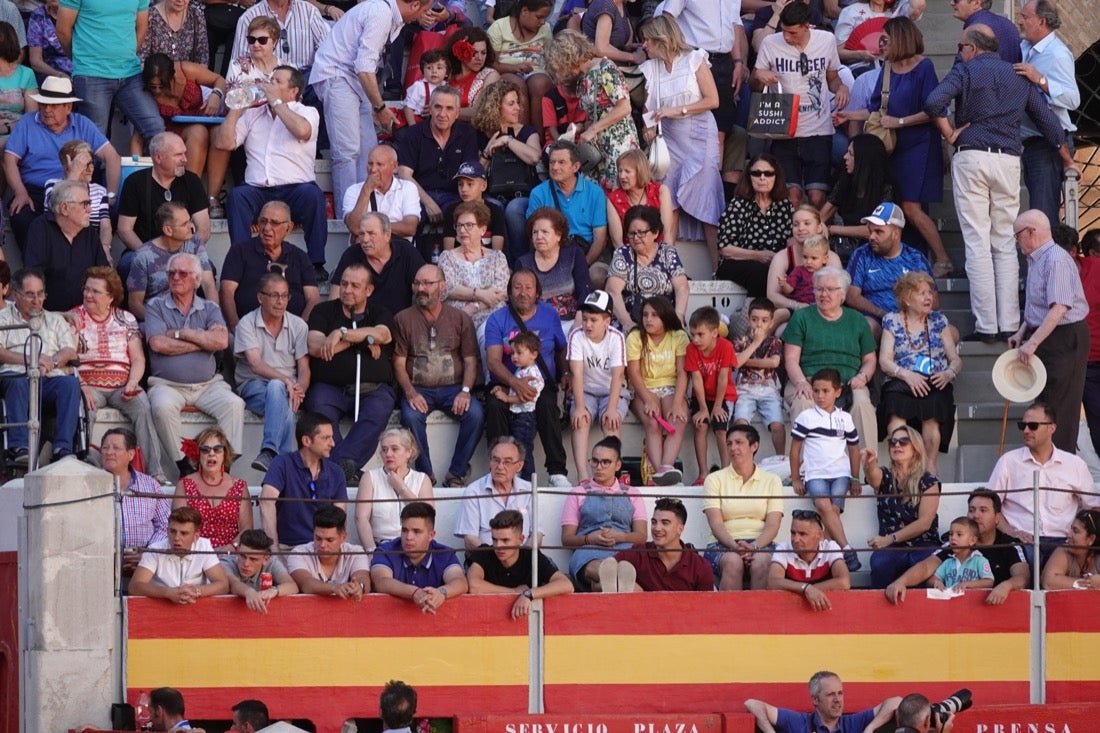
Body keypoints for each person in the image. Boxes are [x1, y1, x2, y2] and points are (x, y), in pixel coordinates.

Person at [924, 24, 1074, 344]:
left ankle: (987, 326)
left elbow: (933, 102)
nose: (959, 52)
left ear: (973, 48)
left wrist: (949, 132)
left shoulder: (965, 71)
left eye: (961, 46)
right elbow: (1050, 125)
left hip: (972, 156)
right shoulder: (1017, 75)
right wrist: (1066, 157)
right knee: (1005, 242)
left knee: (977, 242)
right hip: (1007, 159)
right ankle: (1009, 323)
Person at [309, 0, 432, 217]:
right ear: (414, 5)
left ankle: (365, 213)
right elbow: (364, 66)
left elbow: (367, 68)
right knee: (347, 151)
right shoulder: (381, 14)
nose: (423, 16)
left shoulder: (390, 15)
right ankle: (348, 216)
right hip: (337, 75)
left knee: (368, 151)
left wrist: (375, 104)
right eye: (423, 10)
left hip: (355, 79)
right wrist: (380, 106)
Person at [213, 65, 329, 279]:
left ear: (293, 91)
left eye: (277, 82)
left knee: (313, 196)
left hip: (296, 189)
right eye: (270, 80)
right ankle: (243, 261)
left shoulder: (306, 112)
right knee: (237, 197)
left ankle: (316, 264)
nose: (269, 85)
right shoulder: (253, 114)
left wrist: (276, 103)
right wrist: (237, 110)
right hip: (258, 190)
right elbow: (223, 143)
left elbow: (302, 131)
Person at [145, 252, 245, 480]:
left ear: (196, 280)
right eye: (171, 273)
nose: (176, 277)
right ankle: (185, 467)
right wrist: (202, 342)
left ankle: (223, 469)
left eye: (182, 273)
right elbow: (158, 343)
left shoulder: (209, 308)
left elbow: (220, 341)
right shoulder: (156, 306)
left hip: (209, 385)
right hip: (167, 385)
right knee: (161, 407)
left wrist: (183, 334)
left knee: (234, 405)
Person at [3, 76, 120, 256]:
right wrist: (20, 192)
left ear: (68, 107)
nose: (47, 110)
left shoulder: (82, 123)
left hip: (78, 190)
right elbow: (9, 160)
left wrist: (110, 195)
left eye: (54, 105)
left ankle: (87, 262)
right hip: (37, 190)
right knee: (21, 216)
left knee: (110, 214)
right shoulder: (27, 122)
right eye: (43, 104)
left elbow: (112, 157)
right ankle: (34, 273)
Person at [636, 15, 723, 253]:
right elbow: (648, 106)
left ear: (662, 39)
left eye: (647, 40)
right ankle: (667, 261)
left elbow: (713, 100)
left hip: (700, 133)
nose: (644, 45)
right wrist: (648, 127)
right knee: (668, 198)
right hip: (670, 138)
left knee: (707, 196)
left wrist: (677, 110)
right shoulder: (651, 67)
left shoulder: (694, 59)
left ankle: (717, 266)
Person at [304, 262, 397, 484]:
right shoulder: (323, 311)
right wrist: (361, 340)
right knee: (318, 409)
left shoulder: (380, 312)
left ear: (369, 291)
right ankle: (348, 469)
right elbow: (316, 348)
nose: (347, 290)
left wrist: (340, 333)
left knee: (378, 411)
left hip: (373, 389)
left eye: (355, 286)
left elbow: (382, 335)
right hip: (329, 388)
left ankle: (334, 469)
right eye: (344, 284)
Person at [393, 263, 483, 487]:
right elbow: (398, 362)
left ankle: (456, 473)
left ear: (442, 286)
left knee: (476, 415)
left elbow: (471, 360)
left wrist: (465, 391)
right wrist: (411, 393)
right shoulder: (403, 319)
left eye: (427, 283)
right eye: (417, 283)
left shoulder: (460, 318)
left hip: (454, 388)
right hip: (418, 388)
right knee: (411, 417)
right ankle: (425, 476)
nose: (421, 288)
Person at [751, 2, 849, 209]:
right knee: (792, 197)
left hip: (818, 130)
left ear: (807, 26)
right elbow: (754, 84)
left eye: (792, 33)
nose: (786, 37)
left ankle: (816, 240)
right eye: (784, 31)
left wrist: (841, 88)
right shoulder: (771, 43)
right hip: (784, 130)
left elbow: (832, 77)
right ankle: (794, 240)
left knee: (817, 197)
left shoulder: (826, 40)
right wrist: (760, 76)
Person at [1008, 209, 1090, 454]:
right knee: (1043, 403)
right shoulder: (1036, 258)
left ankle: (1060, 465)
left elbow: (1059, 307)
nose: (1017, 241)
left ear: (1031, 233)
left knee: (1059, 407)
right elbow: (1038, 305)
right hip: (1044, 334)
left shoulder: (1055, 259)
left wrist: (1032, 342)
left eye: (1018, 235)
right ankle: (1042, 461)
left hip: (1064, 336)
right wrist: (1022, 332)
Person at [72, 268, 165, 478]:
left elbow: (138, 358)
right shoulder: (75, 317)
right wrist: (82, 385)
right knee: (84, 410)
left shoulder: (126, 319)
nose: (88, 295)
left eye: (95, 291)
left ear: (110, 297)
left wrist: (133, 382)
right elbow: (70, 360)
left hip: (122, 385)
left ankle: (156, 473)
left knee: (142, 406)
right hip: (89, 386)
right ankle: (88, 470)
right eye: (86, 289)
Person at [483, 269, 570, 486]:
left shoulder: (549, 315)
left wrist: (566, 373)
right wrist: (515, 383)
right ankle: (501, 470)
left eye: (528, 288)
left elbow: (561, 349)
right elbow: (493, 361)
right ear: (509, 293)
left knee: (548, 404)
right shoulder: (497, 319)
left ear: (537, 292)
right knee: (494, 406)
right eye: (517, 287)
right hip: (505, 383)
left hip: (540, 384)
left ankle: (557, 472)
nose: (523, 293)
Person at [988, 401, 1098, 570]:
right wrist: (1011, 532)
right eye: (1022, 425)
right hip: (1021, 540)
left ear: (1051, 428)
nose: (1026, 431)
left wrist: (1080, 536)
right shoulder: (1008, 462)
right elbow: (989, 506)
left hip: (1064, 541)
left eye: (1032, 426)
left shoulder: (1074, 464)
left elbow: (1093, 508)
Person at [784, 267, 877, 452]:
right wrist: (801, 382)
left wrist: (862, 377)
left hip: (848, 384)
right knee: (803, 401)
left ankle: (867, 469)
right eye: (819, 289)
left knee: (862, 403)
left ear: (842, 294)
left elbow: (869, 359)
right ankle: (804, 469)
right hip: (809, 381)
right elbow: (791, 358)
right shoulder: (801, 317)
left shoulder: (857, 320)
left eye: (829, 289)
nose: (823, 294)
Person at [878, 271, 962, 475]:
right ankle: (901, 466)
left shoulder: (939, 320)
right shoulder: (892, 320)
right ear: (907, 298)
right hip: (901, 379)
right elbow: (885, 361)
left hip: (935, 379)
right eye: (922, 293)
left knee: (933, 405)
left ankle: (929, 467)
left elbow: (956, 360)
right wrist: (907, 375)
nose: (929, 297)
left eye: (930, 293)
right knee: (895, 404)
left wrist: (948, 373)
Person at [886, 488, 1029, 606]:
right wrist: (901, 582)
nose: (976, 515)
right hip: (955, 615)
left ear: (997, 518)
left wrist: (1006, 586)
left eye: (983, 510)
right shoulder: (954, 543)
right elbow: (926, 567)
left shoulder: (1010, 544)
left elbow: (1023, 577)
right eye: (972, 510)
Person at [659, 0, 748, 188]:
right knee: (692, 128)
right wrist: (679, 55)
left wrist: (738, 62)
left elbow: (732, 26)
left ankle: (710, 189)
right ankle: (688, 188)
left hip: (725, 61)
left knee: (720, 132)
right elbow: (667, 18)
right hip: (693, 56)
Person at [0, 267, 80, 466]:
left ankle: (63, 448)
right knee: (16, 382)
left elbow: (69, 351)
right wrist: (30, 359)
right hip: (17, 378)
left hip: (49, 378)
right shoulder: (3, 318)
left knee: (69, 384)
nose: (36, 300)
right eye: (30, 295)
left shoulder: (55, 320)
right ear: (15, 295)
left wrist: (52, 362)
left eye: (40, 294)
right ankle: (20, 447)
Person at [55, 0, 165, 144]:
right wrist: (82, 60)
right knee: (94, 141)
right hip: (91, 74)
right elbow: (62, 30)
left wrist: (125, 54)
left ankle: (156, 167)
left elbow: (142, 27)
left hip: (130, 73)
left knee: (157, 130)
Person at [543, 30, 640, 191]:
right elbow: (592, 116)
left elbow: (624, 107)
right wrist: (578, 128)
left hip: (618, 143)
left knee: (620, 194)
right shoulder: (583, 79)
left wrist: (593, 129)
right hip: (597, 149)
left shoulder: (605, 68)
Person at [233, 272, 310, 472]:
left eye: (285, 296)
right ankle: (281, 458)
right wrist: (287, 381)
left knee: (282, 398)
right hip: (254, 385)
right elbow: (256, 365)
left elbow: (304, 368)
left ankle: (271, 456)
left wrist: (299, 388)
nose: (280, 301)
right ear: (260, 297)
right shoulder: (247, 323)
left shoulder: (298, 325)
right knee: (278, 389)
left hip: (288, 387)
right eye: (274, 295)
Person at [790, 368, 862, 571]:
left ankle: (828, 564)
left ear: (838, 392)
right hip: (815, 474)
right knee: (824, 506)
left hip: (840, 473)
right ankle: (846, 550)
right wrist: (796, 478)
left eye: (825, 391)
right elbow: (795, 450)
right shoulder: (806, 417)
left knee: (832, 514)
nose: (820, 396)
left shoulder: (845, 418)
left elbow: (854, 449)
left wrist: (855, 478)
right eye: (816, 391)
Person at [1015, 0, 1079, 226]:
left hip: (1049, 144)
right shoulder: (1023, 48)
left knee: (1043, 216)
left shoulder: (1058, 54)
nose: (1019, 21)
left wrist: (1041, 80)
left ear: (1041, 21)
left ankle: (1050, 260)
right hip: (1032, 143)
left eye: (1025, 17)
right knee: (1038, 214)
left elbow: (1073, 99)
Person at [703, 424, 783, 591]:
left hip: (762, 543)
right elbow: (716, 524)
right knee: (733, 562)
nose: (733, 448)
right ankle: (728, 616)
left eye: (739, 442)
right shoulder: (714, 479)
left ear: (754, 446)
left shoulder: (772, 480)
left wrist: (754, 547)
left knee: (761, 562)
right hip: (722, 543)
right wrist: (735, 547)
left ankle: (758, 616)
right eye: (730, 443)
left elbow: (773, 525)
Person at [117, 131, 211, 273]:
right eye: (178, 155)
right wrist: (149, 254)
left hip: (185, 252)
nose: (185, 159)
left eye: (185, 153)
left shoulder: (192, 181)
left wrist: (184, 255)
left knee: (209, 269)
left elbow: (204, 229)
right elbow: (124, 229)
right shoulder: (135, 182)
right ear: (158, 157)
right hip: (144, 249)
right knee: (127, 266)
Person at [560, 436, 646, 590]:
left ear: (618, 465)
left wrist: (620, 536)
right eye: (595, 461)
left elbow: (641, 536)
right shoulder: (578, 493)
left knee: (601, 584)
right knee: (609, 572)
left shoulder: (632, 493)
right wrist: (589, 539)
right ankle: (620, 580)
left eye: (605, 462)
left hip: (625, 551)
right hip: (588, 552)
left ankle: (607, 583)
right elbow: (566, 539)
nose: (599, 467)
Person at [221, 201, 320, 331]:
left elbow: (313, 298)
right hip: (248, 331)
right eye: (263, 221)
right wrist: (236, 327)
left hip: (292, 333)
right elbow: (226, 291)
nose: (267, 228)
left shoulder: (300, 257)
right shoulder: (239, 251)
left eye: (274, 223)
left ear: (288, 228)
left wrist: (301, 329)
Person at [863, 424, 941, 588]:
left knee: (925, 564)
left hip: (923, 544)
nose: (897, 445)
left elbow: (924, 523)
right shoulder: (885, 476)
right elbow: (873, 477)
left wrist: (889, 539)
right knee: (880, 563)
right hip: (892, 547)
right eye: (893, 442)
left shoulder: (928, 481)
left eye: (904, 441)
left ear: (916, 448)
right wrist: (869, 464)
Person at [844, 202, 935, 334]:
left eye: (878, 232)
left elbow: (934, 299)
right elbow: (852, 297)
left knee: (952, 333)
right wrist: (883, 314)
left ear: (895, 234)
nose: (871, 237)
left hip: (913, 318)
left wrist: (907, 317)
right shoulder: (862, 255)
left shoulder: (916, 258)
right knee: (867, 327)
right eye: (870, 231)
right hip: (875, 320)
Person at [259, 412, 347, 549]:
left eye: (332, 438)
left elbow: (340, 518)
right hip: (288, 548)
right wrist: (275, 552)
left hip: (324, 549)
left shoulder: (336, 472)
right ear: (306, 441)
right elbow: (266, 502)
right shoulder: (282, 463)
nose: (333, 443)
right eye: (326, 438)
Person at [473, 80, 541, 257]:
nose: (517, 108)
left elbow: (534, 157)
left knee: (514, 208)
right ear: (496, 107)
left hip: (522, 194)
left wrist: (508, 141)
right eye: (511, 104)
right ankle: (496, 259)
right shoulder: (480, 133)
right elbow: (476, 176)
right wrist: (487, 152)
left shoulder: (527, 132)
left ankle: (519, 258)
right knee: (494, 207)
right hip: (494, 193)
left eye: (518, 103)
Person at [396, 85, 480, 228]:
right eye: (438, 107)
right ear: (430, 109)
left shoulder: (467, 134)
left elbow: (470, 174)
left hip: (455, 196)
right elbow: (404, 174)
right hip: (419, 197)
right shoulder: (413, 134)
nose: (442, 114)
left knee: (458, 215)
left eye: (449, 108)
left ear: (457, 113)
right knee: (410, 217)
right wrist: (428, 203)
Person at [467, 508, 574, 619]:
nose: (498, 546)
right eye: (494, 539)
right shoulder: (484, 553)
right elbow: (474, 586)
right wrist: (513, 592)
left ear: (521, 539)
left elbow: (566, 584)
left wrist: (529, 594)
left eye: (505, 540)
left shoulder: (530, 556)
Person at [626, 296, 688, 485]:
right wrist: (647, 398)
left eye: (654, 315)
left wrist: (677, 403)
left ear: (665, 316)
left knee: (676, 420)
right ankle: (663, 472)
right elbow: (634, 373)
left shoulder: (679, 336)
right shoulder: (635, 337)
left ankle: (665, 469)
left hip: (671, 387)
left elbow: (682, 373)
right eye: (645, 315)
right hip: (643, 388)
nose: (648, 320)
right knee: (653, 423)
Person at [525, 141, 610, 278]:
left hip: (587, 253)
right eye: (552, 162)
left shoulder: (595, 193)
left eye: (561, 162)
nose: (555, 167)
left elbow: (599, 239)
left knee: (597, 276)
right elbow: (534, 236)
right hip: (552, 253)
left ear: (575, 166)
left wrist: (582, 266)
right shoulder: (538, 193)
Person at [567, 290, 628, 477]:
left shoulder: (616, 338)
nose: (587, 324)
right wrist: (579, 406)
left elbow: (618, 376)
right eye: (585, 319)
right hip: (585, 390)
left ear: (607, 321)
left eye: (593, 320)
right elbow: (576, 374)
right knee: (580, 420)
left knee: (611, 421)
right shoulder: (577, 336)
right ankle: (583, 476)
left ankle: (611, 476)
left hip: (612, 391)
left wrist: (611, 408)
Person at [140, 53, 227, 185]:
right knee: (199, 132)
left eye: (162, 85)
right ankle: (188, 190)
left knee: (212, 132)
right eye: (153, 86)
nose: (157, 90)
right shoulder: (144, 91)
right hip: (166, 131)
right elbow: (138, 132)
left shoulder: (186, 70)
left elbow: (219, 80)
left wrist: (215, 95)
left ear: (172, 77)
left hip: (200, 122)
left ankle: (202, 194)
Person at [715, 154, 794, 298]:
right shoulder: (739, 204)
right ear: (749, 177)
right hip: (738, 263)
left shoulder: (785, 206)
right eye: (757, 173)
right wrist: (758, 255)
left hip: (775, 263)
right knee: (759, 271)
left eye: (768, 173)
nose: (762, 178)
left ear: (776, 177)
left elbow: (791, 240)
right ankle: (756, 313)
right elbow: (724, 248)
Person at [25, 179, 108, 312]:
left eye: (90, 203)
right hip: (49, 316)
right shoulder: (40, 228)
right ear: (64, 208)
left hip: (88, 314)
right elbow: (33, 276)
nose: (90, 209)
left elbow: (104, 275)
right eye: (85, 204)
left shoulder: (90, 232)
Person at [127, 201, 219, 323]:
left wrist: (213, 318)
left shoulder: (195, 243)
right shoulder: (143, 256)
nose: (191, 226)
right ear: (168, 230)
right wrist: (164, 323)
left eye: (190, 221)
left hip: (191, 317)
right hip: (158, 319)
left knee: (224, 338)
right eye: (184, 224)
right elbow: (135, 304)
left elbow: (208, 285)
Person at [370, 501, 468, 611]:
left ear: (431, 535)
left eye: (416, 531)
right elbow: (380, 582)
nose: (408, 537)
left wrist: (441, 593)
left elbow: (460, 582)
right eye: (405, 530)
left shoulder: (444, 554)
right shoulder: (385, 551)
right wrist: (414, 592)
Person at [607, 205, 689, 333]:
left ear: (655, 232)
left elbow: (682, 287)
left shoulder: (667, 252)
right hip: (631, 320)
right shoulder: (623, 253)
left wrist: (678, 317)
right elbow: (613, 291)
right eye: (632, 233)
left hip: (664, 320)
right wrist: (627, 323)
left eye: (641, 233)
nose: (635, 238)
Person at [104, 428, 170, 582]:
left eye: (116, 448)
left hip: (146, 565)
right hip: (103, 564)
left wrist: (148, 554)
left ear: (131, 454)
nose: (109, 452)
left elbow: (165, 525)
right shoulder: (91, 485)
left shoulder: (150, 485)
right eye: (105, 448)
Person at [607, 497, 714, 592]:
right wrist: (629, 584)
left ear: (680, 528)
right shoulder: (640, 552)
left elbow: (706, 608)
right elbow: (608, 566)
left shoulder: (700, 566)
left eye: (665, 523)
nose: (657, 528)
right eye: (654, 522)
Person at [330, 211, 425, 318]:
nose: (365, 240)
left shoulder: (405, 252)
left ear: (387, 235)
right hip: (360, 325)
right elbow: (335, 298)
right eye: (361, 234)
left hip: (399, 325)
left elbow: (426, 286)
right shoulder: (351, 254)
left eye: (371, 234)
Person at [454, 437, 543, 550]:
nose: (500, 467)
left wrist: (521, 559)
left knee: (552, 567)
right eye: (496, 460)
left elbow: (537, 534)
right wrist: (498, 558)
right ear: (490, 462)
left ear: (519, 466)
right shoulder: (474, 491)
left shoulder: (528, 490)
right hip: (485, 558)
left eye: (507, 462)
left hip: (523, 559)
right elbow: (470, 539)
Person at [172, 426, 251, 553]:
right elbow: (179, 527)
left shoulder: (239, 486)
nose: (211, 453)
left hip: (230, 554)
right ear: (198, 454)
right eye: (205, 449)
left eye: (217, 449)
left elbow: (246, 529)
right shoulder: (185, 484)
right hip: (195, 553)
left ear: (225, 454)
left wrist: (231, 548)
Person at [129, 506, 230, 602]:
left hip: (196, 608)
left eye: (184, 533)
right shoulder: (155, 549)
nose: (177, 538)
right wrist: (167, 593)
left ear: (196, 536)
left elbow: (223, 585)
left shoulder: (204, 546)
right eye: (173, 531)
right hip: (161, 608)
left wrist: (196, 591)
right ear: (167, 532)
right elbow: (134, 586)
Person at [354, 427, 433, 551]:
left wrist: (401, 488)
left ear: (409, 452)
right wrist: (372, 551)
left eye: (394, 449)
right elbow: (361, 518)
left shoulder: (422, 479)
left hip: (416, 547)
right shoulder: (370, 477)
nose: (388, 454)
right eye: (384, 450)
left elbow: (427, 516)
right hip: (383, 546)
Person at [744, 672, 901, 733]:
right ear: (815, 699)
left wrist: (870, 728)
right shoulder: (799, 723)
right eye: (830, 695)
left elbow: (896, 701)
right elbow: (752, 704)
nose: (838, 700)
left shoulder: (852, 723)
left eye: (840, 693)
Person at [439, 201, 511, 332]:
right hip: (457, 321)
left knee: (490, 333)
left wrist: (474, 307)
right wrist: (481, 293)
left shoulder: (497, 257)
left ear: (482, 229)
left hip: (492, 319)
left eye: (469, 225)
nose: (462, 230)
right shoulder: (447, 257)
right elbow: (447, 288)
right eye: (459, 225)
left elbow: (500, 292)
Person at [685, 306, 739, 483]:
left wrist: (716, 407)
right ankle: (703, 473)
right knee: (700, 425)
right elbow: (697, 380)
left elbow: (724, 378)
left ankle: (726, 472)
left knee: (721, 428)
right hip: (701, 396)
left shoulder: (726, 346)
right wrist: (702, 408)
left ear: (715, 332)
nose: (696, 339)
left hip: (723, 395)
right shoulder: (692, 349)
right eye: (693, 334)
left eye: (701, 334)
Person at [486, 0, 553, 133]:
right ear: (524, 11)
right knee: (516, 85)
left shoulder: (545, 29)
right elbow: (491, 63)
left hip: (536, 71)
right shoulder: (499, 27)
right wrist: (515, 68)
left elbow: (550, 58)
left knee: (541, 84)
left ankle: (539, 140)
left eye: (545, 18)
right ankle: (522, 137)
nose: (543, 22)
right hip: (506, 70)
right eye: (539, 17)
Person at [518, 206, 592, 323]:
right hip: (538, 323)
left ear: (558, 235)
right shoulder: (523, 263)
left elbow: (585, 290)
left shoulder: (573, 255)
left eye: (545, 232)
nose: (539, 237)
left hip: (572, 320)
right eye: (535, 232)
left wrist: (579, 321)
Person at [817, 135, 892, 251]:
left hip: (876, 248)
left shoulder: (886, 189)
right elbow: (822, 216)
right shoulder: (846, 180)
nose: (845, 157)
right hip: (846, 245)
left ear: (864, 159)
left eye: (850, 154)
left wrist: (832, 229)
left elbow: (873, 230)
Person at [43, 140, 112, 264]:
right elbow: (56, 209)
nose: (90, 168)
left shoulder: (99, 190)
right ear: (66, 165)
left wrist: (105, 248)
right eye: (83, 164)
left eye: (92, 163)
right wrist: (73, 173)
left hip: (91, 248)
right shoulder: (53, 185)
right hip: (59, 245)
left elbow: (105, 225)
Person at [732, 299, 786, 456]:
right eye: (754, 320)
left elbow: (774, 362)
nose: (759, 324)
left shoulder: (774, 342)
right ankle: (744, 459)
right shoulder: (740, 342)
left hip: (769, 390)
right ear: (748, 320)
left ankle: (781, 459)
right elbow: (736, 363)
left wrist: (746, 361)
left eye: (764, 320)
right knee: (741, 423)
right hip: (744, 390)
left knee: (777, 425)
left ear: (771, 323)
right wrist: (755, 343)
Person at [767, 509, 851, 610]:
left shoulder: (830, 547)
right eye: (793, 533)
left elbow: (844, 582)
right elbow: (773, 582)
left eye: (802, 534)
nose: (795, 539)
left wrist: (810, 589)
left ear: (820, 535)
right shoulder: (783, 548)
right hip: (790, 612)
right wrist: (806, 588)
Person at [342, 144, 421, 247]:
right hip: (364, 253)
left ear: (394, 167)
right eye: (370, 164)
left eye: (379, 164)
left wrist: (370, 229)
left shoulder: (408, 188)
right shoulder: (353, 190)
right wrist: (366, 190)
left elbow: (410, 227)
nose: (373, 169)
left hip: (397, 251)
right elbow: (355, 227)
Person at [489, 331, 543, 480]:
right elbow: (515, 389)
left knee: (524, 451)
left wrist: (506, 398)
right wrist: (503, 389)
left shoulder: (533, 374)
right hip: (517, 417)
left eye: (519, 353)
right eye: (512, 353)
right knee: (517, 449)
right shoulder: (521, 370)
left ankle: (528, 481)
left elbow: (527, 397)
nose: (514, 357)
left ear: (533, 354)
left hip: (525, 419)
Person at [288, 505, 371, 599]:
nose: (322, 545)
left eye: (330, 540)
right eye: (318, 538)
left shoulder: (355, 552)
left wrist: (359, 587)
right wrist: (334, 588)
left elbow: (363, 578)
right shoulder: (299, 553)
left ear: (343, 537)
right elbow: (306, 584)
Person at [229, 0, 328, 74]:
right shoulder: (248, 17)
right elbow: (239, 66)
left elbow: (327, 53)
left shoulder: (309, 11)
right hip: (267, 82)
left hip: (305, 80)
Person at [604, 149, 673, 251]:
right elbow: (617, 242)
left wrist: (665, 260)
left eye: (627, 171)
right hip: (629, 256)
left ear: (640, 172)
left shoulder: (661, 191)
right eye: (620, 171)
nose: (622, 176)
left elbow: (667, 233)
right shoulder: (614, 199)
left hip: (659, 253)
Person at [221, 528, 298, 614]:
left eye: (253, 559)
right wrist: (249, 592)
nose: (246, 564)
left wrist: (274, 591)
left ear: (266, 559)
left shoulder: (272, 562)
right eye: (242, 556)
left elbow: (292, 585)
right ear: (238, 551)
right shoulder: (226, 562)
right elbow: (233, 583)